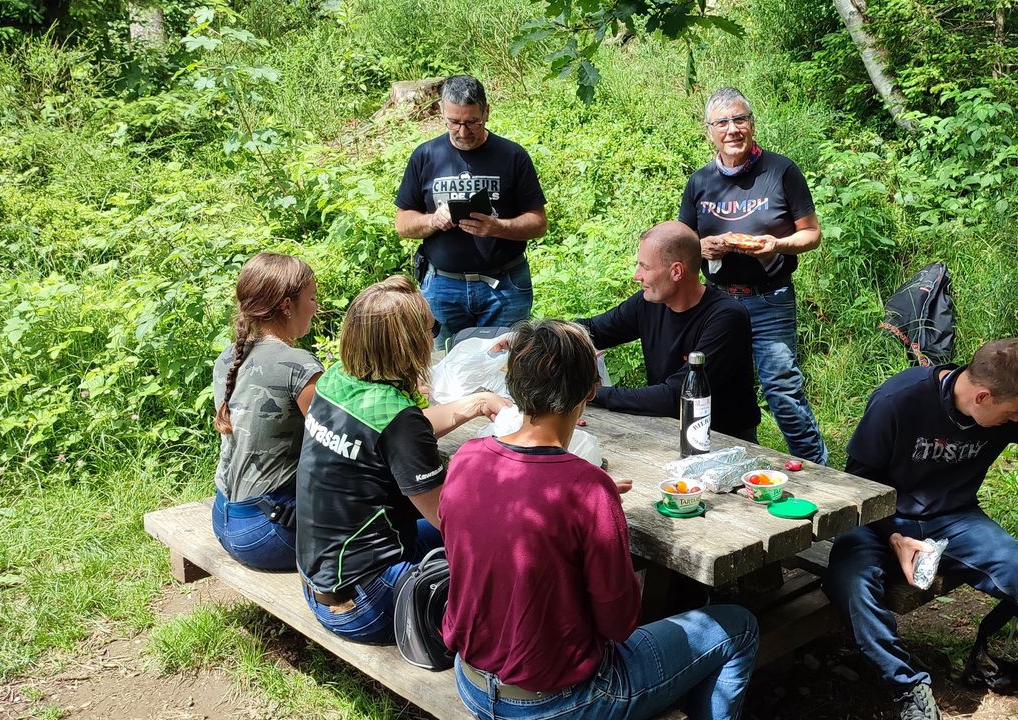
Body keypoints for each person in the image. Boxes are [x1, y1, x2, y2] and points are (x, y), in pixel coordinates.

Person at [441, 319, 760, 719]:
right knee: (739, 627)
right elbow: (620, 624)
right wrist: (597, 507)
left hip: (471, 679)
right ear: (592, 389)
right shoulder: (587, 488)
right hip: (561, 702)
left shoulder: (468, 458)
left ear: (514, 384)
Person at [823, 339, 1018, 720]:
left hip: (954, 519)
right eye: (1014, 410)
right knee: (850, 582)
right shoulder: (899, 400)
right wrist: (894, 537)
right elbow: (859, 484)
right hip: (877, 520)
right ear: (983, 397)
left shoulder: (1006, 414)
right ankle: (908, 689)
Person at [294, 276, 509, 644]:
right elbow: (450, 520)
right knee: (507, 565)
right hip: (366, 605)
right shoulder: (399, 421)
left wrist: (476, 403)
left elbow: (390, 436)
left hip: (321, 579)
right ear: (410, 343)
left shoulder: (336, 380)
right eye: (431, 328)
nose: (433, 336)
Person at [678, 87, 828, 464]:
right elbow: (682, 243)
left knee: (782, 389)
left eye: (740, 119)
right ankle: (732, 464)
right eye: (722, 122)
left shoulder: (781, 171)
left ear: (752, 124)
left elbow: (811, 234)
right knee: (721, 387)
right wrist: (702, 247)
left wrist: (775, 245)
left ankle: (817, 472)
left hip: (769, 298)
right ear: (709, 130)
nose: (733, 129)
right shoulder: (699, 182)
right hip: (719, 302)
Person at [394, 74, 548, 347]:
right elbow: (403, 223)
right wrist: (433, 220)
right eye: (454, 122)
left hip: (505, 286)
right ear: (442, 113)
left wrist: (498, 227)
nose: (463, 132)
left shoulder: (512, 156)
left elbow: (538, 223)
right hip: (443, 287)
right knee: (443, 368)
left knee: (506, 366)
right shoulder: (425, 156)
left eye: (472, 122)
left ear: (487, 112)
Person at [578, 221, 759, 443]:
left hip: (724, 441)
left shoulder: (727, 317)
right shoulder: (649, 303)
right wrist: (542, 338)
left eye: (645, 267)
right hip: (667, 428)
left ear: (676, 271)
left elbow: (677, 395)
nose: (637, 276)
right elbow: (591, 330)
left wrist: (590, 393)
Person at [210, 252, 322, 571]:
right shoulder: (298, 365)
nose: (316, 307)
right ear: (287, 305)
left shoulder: (228, 357)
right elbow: (339, 444)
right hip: (268, 532)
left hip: (224, 518)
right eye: (312, 298)